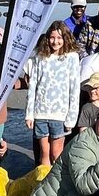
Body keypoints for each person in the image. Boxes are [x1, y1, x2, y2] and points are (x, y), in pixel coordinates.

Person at [24, 23, 81, 166]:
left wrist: (71, 119)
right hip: (40, 114)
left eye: (59, 37)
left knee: (56, 154)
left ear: (65, 38)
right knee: (44, 155)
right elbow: (33, 86)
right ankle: (42, 184)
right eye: (52, 37)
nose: (55, 41)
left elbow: (74, 89)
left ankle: (56, 186)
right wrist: (29, 114)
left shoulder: (72, 57)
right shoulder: (40, 57)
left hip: (60, 115)